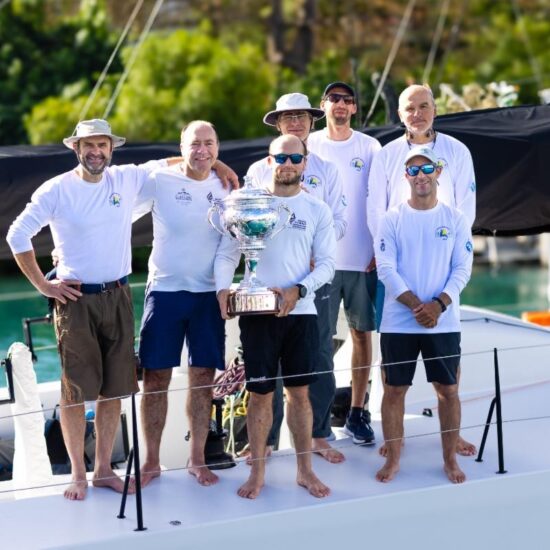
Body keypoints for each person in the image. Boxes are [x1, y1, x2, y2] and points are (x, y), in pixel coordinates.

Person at [5, 119, 171, 501]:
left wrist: (220, 165)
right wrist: (44, 285)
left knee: (115, 390)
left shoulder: (126, 178)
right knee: (75, 393)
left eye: (102, 145)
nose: (96, 152)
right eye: (89, 145)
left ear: (111, 149)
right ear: (76, 148)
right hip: (75, 302)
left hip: (118, 296)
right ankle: (77, 475)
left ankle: (103, 471)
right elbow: (17, 235)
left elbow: (175, 162)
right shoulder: (57, 189)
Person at [218, 134, 336, 499]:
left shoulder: (317, 209)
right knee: (259, 395)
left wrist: (298, 290)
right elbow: (227, 254)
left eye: (295, 158)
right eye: (280, 158)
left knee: (299, 395)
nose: (287, 164)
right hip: (257, 313)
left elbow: (328, 265)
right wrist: (222, 290)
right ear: (269, 161)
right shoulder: (249, 204)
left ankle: (305, 471)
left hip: (301, 312)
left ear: (305, 163)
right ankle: (257, 474)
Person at [368, 83, 477, 457]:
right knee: (394, 382)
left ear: (435, 109)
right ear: (400, 114)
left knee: (448, 383)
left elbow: (467, 206)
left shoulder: (457, 151)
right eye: (409, 108)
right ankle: (393, 441)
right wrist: (384, 255)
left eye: (424, 106)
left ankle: (452, 438)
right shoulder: (387, 155)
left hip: (443, 270)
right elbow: (375, 207)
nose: (417, 114)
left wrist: (442, 292)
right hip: (397, 274)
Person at [134, 121, 239, 487]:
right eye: (194, 144)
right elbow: (119, 207)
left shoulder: (229, 189)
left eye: (209, 144)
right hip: (164, 292)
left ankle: (197, 459)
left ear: (218, 147)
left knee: (202, 380)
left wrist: (223, 288)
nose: (202, 150)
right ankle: (151, 462)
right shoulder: (160, 180)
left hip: (207, 296)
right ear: (181, 148)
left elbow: (230, 246)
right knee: (155, 379)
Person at [247, 92, 346, 463]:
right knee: (264, 365)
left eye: (301, 117)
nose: (295, 123)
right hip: (265, 283)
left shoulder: (328, 170)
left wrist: (316, 249)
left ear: (311, 122)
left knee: (319, 353)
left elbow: (338, 220)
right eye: (287, 117)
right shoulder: (259, 169)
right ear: (277, 124)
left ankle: (318, 434)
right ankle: (266, 440)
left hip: (313, 277)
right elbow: (244, 224)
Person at [308, 82, 382, 445]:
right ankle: (318, 423)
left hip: (362, 258)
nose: (340, 104)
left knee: (361, 335)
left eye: (347, 100)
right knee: (319, 340)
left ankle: (357, 412)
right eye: (333, 99)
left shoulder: (370, 147)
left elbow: (382, 199)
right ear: (323, 105)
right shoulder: (308, 145)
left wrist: (380, 248)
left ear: (354, 108)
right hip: (319, 262)